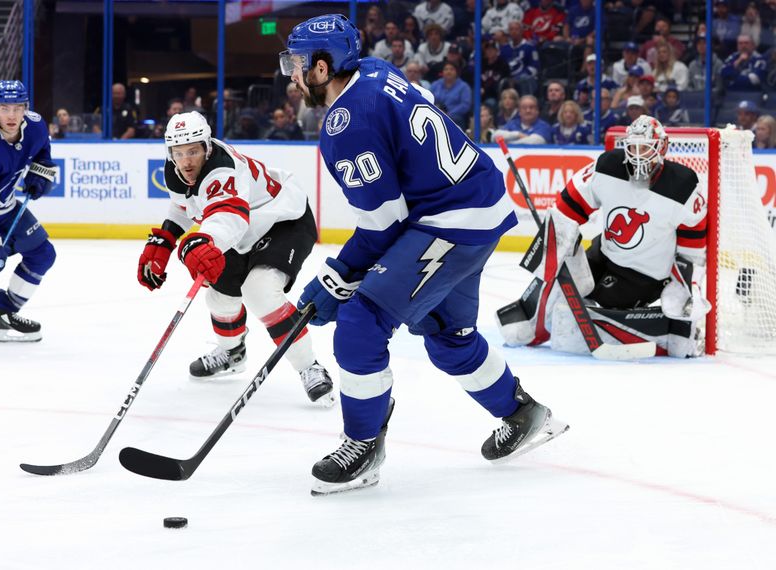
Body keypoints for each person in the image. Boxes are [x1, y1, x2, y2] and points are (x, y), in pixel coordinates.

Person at [280, 14, 567, 495]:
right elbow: (425, 110)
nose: (290, 72)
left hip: (449, 221)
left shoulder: (346, 126)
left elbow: (383, 225)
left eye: (297, 62)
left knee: (360, 323)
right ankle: (522, 414)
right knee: (446, 333)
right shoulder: (373, 69)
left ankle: (362, 446)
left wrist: (335, 279)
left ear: (324, 68)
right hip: (481, 203)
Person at [137, 111, 334, 404]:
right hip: (243, 230)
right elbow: (186, 206)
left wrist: (203, 241)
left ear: (206, 146)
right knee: (219, 297)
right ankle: (232, 352)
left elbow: (230, 216)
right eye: (179, 153)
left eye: (192, 151)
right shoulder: (174, 169)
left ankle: (310, 367)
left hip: (283, 220)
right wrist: (165, 239)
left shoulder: (222, 168)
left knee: (260, 290)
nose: (186, 161)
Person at [497, 115, 709, 359]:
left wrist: (683, 283)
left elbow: (692, 242)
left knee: (581, 310)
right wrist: (560, 236)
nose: (638, 155)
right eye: (633, 147)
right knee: (556, 279)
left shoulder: (683, 185)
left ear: (661, 148)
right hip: (602, 255)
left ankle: (668, 334)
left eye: (645, 148)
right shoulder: (608, 166)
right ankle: (532, 326)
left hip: (644, 278)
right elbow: (569, 205)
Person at [0, 80, 58, 342]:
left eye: (17, 108)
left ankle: (6, 314)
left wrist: (40, 174)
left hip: (7, 208)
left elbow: (43, 152)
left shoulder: (35, 126)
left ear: (26, 108)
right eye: (4, 108)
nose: (11, 115)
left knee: (43, 254)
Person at [430, 61, 472, 130]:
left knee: (456, 119)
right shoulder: (435, 84)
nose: (448, 72)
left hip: (454, 117)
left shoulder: (464, 87)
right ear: (442, 72)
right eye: (446, 69)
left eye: (451, 69)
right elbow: (428, 99)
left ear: (456, 72)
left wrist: (449, 113)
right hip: (436, 114)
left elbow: (465, 105)